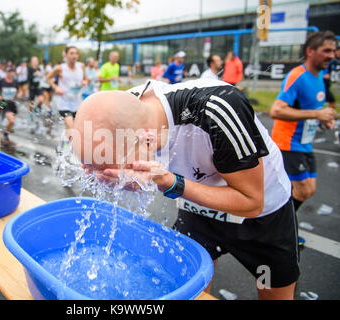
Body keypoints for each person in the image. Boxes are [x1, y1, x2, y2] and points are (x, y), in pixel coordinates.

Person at [72, 77, 301, 299]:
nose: (121, 179)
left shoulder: (218, 109)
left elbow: (252, 202)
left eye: (123, 170)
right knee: (194, 289)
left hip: (262, 217)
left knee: (274, 292)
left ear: (148, 140)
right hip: (197, 207)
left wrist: (172, 183)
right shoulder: (121, 110)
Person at [270, 31, 337, 245]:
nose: (332, 55)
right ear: (311, 51)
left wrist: (323, 118)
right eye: (326, 51)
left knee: (308, 189)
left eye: (334, 50)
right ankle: (280, 231)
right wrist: (317, 114)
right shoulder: (297, 75)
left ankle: (278, 226)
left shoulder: (320, 77)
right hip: (287, 143)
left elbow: (310, 108)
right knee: (302, 189)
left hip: (304, 144)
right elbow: (276, 110)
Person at [46, 46, 87, 135]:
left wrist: (84, 82)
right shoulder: (59, 68)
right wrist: (55, 87)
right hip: (64, 104)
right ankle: (69, 147)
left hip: (77, 104)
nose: (74, 55)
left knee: (76, 130)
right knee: (71, 128)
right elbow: (48, 78)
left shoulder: (81, 66)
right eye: (71, 53)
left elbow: (85, 79)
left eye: (76, 53)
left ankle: (65, 145)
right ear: (66, 55)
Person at [0, 66, 18, 145]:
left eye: (11, 72)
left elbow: (19, 91)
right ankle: (5, 134)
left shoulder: (15, 82)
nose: (10, 73)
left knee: (12, 122)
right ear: (6, 73)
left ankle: (6, 130)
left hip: (13, 103)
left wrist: (19, 95)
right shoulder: (2, 81)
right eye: (8, 72)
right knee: (11, 121)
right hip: (4, 102)